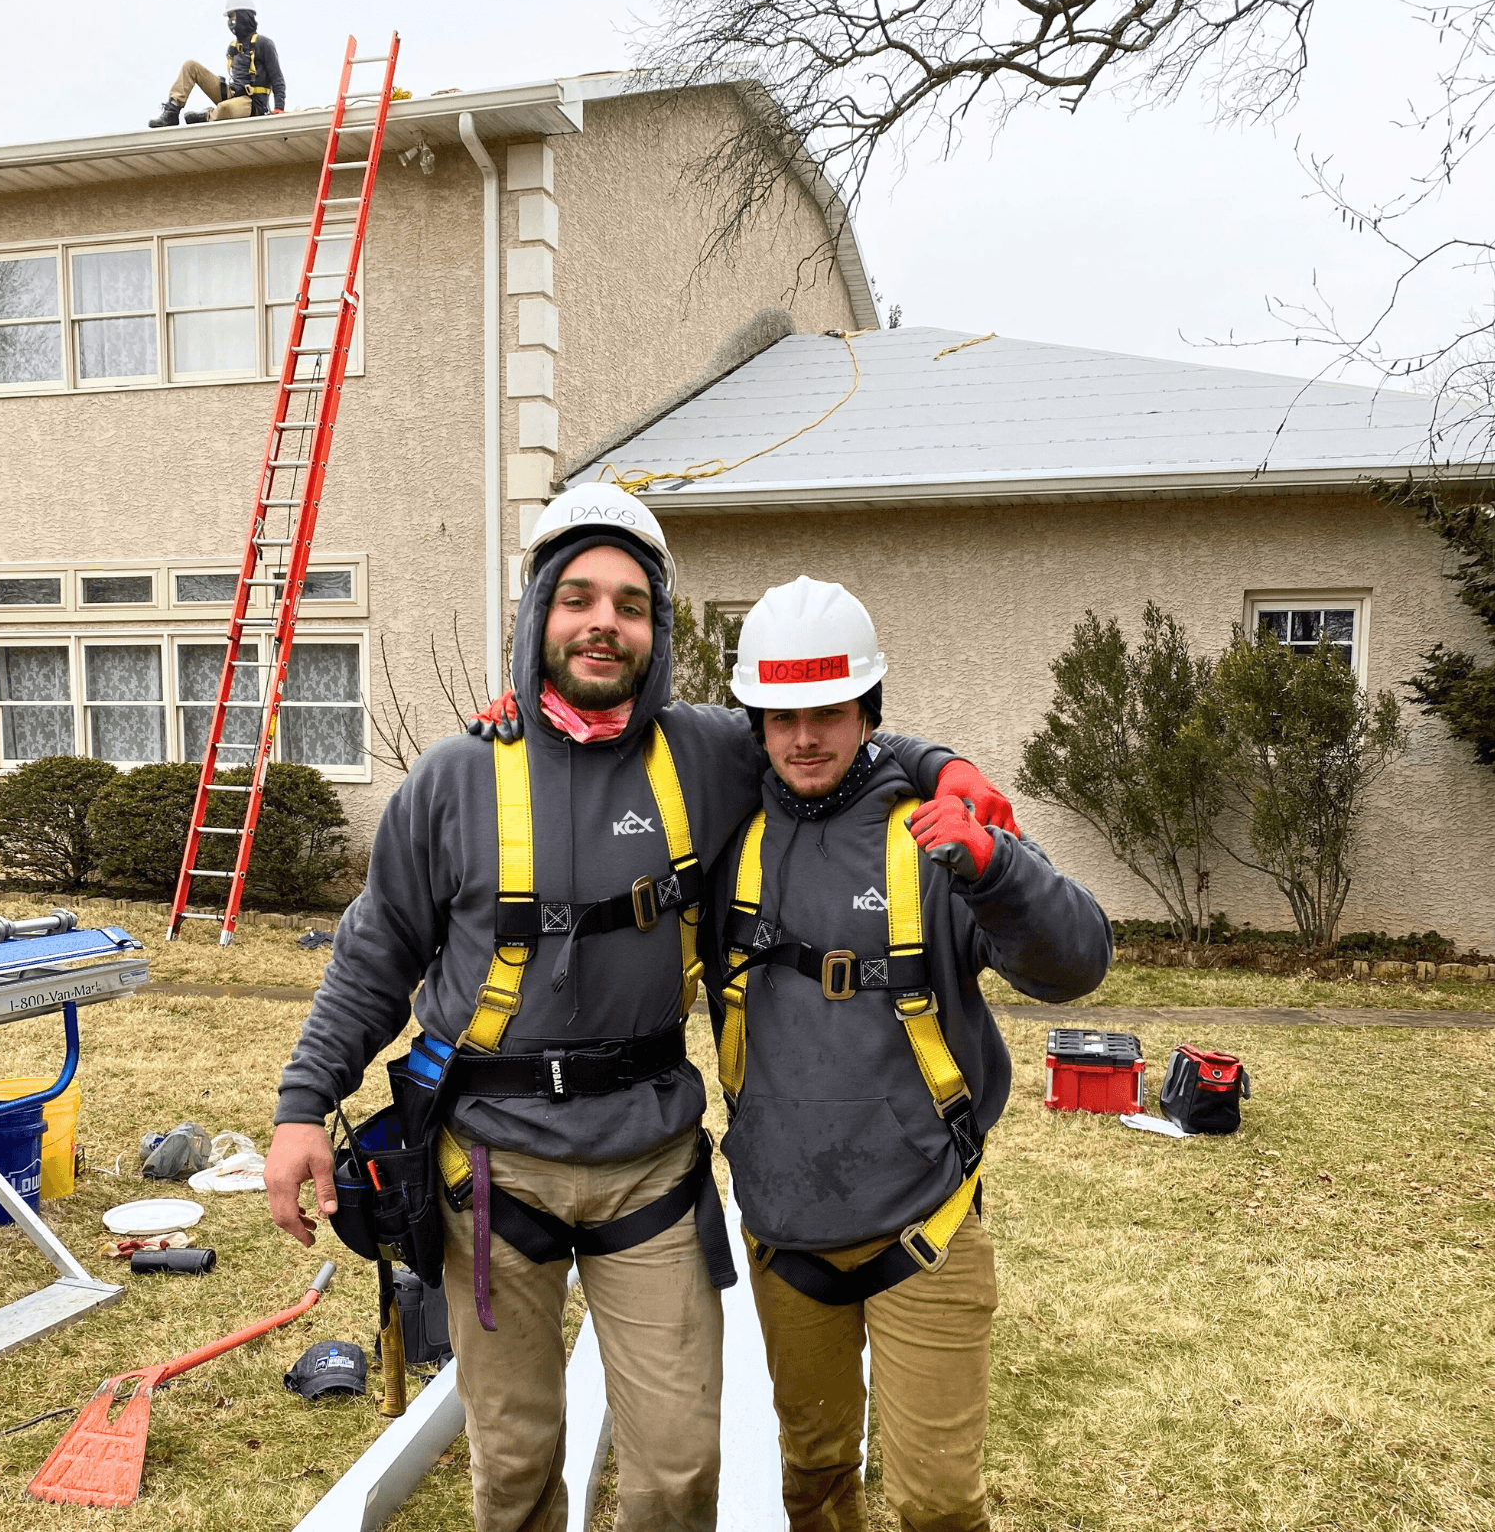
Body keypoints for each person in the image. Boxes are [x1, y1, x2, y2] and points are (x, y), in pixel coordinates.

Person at [262, 487, 1011, 1532]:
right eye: (577, 598)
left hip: (648, 1166)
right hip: (492, 1170)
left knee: (676, 1471)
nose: (602, 622)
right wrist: (304, 1105)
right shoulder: (454, 779)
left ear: (656, 627)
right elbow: (374, 952)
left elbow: (834, 730)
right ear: (539, 614)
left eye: (629, 603)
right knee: (514, 1468)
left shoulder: (705, 753)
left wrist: (947, 767)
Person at [707, 575, 1113, 1532]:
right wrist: (523, 712)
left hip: (924, 1232)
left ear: (867, 710)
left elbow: (1077, 962)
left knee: (937, 1503)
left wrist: (997, 869)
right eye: (782, 716)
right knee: (812, 1477)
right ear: (756, 723)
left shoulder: (933, 834)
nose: (805, 737)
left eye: (829, 711)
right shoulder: (727, 840)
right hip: (784, 1235)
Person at [149, 0, 285, 129]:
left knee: (226, 109)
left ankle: (208, 116)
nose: (230, 22)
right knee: (190, 66)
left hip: (253, 103)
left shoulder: (263, 44)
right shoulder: (233, 48)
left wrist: (279, 107)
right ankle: (172, 112)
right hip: (232, 95)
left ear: (243, 16)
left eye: (233, 16)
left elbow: (277, 78)